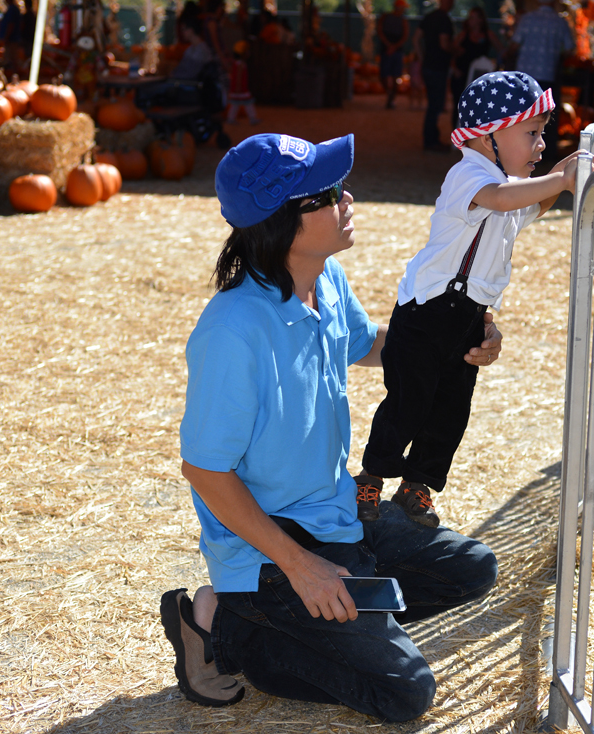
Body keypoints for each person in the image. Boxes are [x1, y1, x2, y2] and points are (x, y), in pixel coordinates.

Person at [159, 132, 501, 720]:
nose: (349, 199)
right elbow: (204, 470)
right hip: (271, 543)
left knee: (471, 568)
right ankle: (228, 625)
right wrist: (300, 566)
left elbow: (369, 345)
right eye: (330, 193)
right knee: (404, 694)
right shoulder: (232, 331)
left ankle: (325, 617)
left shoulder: (326, 282)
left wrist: (458, 342)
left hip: (337, 512)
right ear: (283, 221)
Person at [352, 72, 594, 528]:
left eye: (542, 134)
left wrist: (562, 176)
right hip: (425, 311)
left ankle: (417, 486)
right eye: (531, 133)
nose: (541, 144)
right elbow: (502, 201)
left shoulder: (505, 181)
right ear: (487, 138)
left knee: (450, 410)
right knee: (407, 403)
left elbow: (526, 210)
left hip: (466, 315)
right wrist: (559, 180)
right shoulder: (470, 175)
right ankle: (371, 476)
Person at [509, 0, 574, 144]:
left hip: (525, 76)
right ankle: (547, 150)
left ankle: (520, 146)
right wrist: (556, 54)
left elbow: (514, 45)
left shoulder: (527, 19)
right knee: (547, 115)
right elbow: (570, 49)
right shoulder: (560, 22)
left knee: (523, 113)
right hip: (549, 73)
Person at [413, 0, 455, 151]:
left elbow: (416, 38)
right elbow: (444, 43)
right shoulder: (444, 20)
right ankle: (431, 140)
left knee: (432, 103)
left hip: (429, 66)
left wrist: (422, 59)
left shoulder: (429, 17)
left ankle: (431, 137)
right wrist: (455, 50)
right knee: (435, 105)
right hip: (438, 66)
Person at [450, 7, 500, 129]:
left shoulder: (488, 35)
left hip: (479, 78)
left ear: (480, 20)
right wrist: (454, 69)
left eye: (474, 17)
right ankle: (457, 133)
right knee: (459, 105)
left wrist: (496, 68)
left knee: (478, 106)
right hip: (462, 74)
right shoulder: (463, 36)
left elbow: (502, 51)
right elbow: (452, 53)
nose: (471, 20)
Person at [376, 0, 408, 109]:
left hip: (396, 50)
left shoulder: (403, 20)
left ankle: (391, 98)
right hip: (387, 50)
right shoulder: (385, 17)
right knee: (383, 75)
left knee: (396, 75)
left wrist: (394, 46)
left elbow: (405, 35)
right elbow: (380, 31)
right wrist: (389, 45)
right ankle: (390, 94)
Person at [225, 40, 259, 124]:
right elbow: (239, 77)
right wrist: (238, 87)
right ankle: (252, 118)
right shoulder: (240, 64)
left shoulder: (235, 63)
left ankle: (231, 118)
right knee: (248, 104)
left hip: (237, 89)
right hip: (241, 89)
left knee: (235, 105)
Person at [0, 0, 24, 72]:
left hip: (12, 38)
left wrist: (6, 37)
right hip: (11, 38)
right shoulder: (11, 9)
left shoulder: (13, 9)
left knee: (12, 58)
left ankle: (14, 73)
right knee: (9, 57)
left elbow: (11, 24)